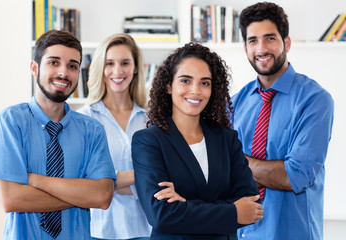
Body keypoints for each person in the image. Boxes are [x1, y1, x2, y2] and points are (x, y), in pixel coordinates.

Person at [0, 30, 116, 240]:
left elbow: (102, 196)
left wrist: (34, 180)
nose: (63, 73)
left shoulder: (93, 130)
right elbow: (10, 199)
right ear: (35, 68)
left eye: (72, 66)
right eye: (54, 62)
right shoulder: (9, 121)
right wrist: (82, 196)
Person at [131, 42, 263, 240]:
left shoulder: (227, 139)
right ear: (168, 85)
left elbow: (251, 206)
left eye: (205, 82)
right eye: (185, 80)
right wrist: (233, 211)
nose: (196, 90)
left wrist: (184, 204)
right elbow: (161, 215)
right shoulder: (148, 141)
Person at [231, 2, 334, 240]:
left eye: (270, 38)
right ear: (245, 47)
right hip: (241, 234)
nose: (261, 48)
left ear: (286, 43)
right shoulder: (235, 104)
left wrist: (235, 161)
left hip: (293, 233)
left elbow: (294, 175)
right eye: (253, 40)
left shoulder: (315, 100)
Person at [78, 33, 151, 240]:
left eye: (125, 63)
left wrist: (110, 181)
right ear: (100, 68)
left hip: (145, 229)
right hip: (98, 230)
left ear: (136, 68)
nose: (117, 71)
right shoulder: (84, 119)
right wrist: (142, 175)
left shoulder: (151, 120)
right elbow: (84, 181)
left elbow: (163, 179)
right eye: (109, 63)